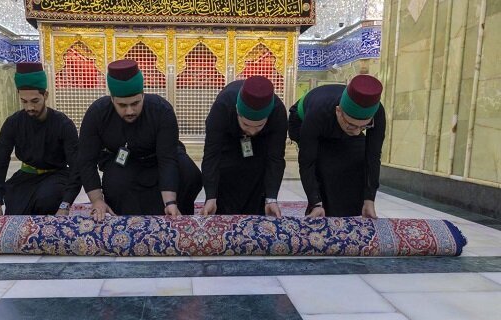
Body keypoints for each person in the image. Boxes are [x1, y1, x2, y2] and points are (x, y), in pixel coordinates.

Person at [78, 59, 202, 221]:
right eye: (122, 105)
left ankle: (178, 223)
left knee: (189, 173)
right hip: (123, 160)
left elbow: (167, 159)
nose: (130, 111)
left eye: (135, 103)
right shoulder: (97, 113)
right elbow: (86, 161)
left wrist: (170, 202)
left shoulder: (161, 110)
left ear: (143, 95)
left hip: (159, 157)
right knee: (116, 184)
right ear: (112, 99)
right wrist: (97, 200)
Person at [0, 62, 81, 216]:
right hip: (26, 177)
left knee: (47, 198)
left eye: (35, 101)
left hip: (56, 176)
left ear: (45, 96)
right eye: (24, 101)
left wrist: (65, 204)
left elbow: (77, 167)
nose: (29, 107)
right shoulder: (13, 123)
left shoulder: (63, 124)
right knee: (14, 205)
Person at [288, 74, 385, 218]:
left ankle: (351, 218)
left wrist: (369, 199)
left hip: (338, 123)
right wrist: (315, 202)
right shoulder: (318, 112)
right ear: (338, 111)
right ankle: (319, 212)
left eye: (364, 127)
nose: (358, 132)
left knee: (357, 164)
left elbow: (373, 156)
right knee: (326, 166)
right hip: (305, 121)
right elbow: (307, 162)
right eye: (352, 125)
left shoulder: (376, 112)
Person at [201, 76, 287, 217]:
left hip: (262, 141)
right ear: (237, 111)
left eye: (258, 125)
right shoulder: (222, 107)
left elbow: (276, 158)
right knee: (227, 172)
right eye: (246, 124)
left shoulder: (278, 112)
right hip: (230, 139)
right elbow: (212, 155)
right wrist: (210, 196)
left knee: (258, 172)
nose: (252, 131)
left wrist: (271, 198)